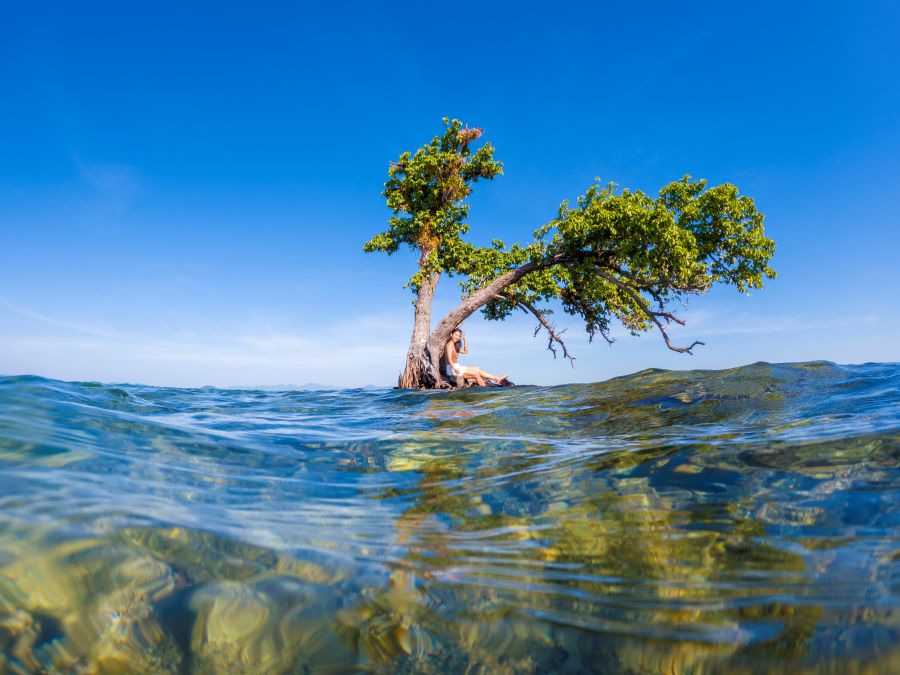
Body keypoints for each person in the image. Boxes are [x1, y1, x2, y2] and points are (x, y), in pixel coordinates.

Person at [444, 328, 509, 386]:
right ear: (451, 334)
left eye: (459, 336)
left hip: (457, 366)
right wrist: (454, 369)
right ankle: (485, 390)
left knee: (476, 368)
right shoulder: (449, 345)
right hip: (452, 369)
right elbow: (449, 359)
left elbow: (466, 352)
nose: (457, 337)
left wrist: (465, 340)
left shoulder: (455, 346)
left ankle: (496, 378)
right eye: (456, 335)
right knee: (476, 374)